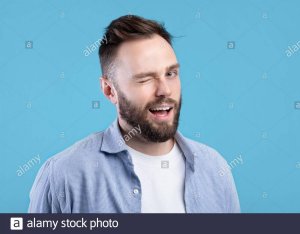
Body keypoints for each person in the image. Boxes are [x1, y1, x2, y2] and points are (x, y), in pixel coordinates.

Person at [29, 15, 240, 213]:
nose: (164, 90)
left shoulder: (215, 168)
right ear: (109, 90)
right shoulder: (63, 175)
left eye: (170, 73)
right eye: (145, 79)